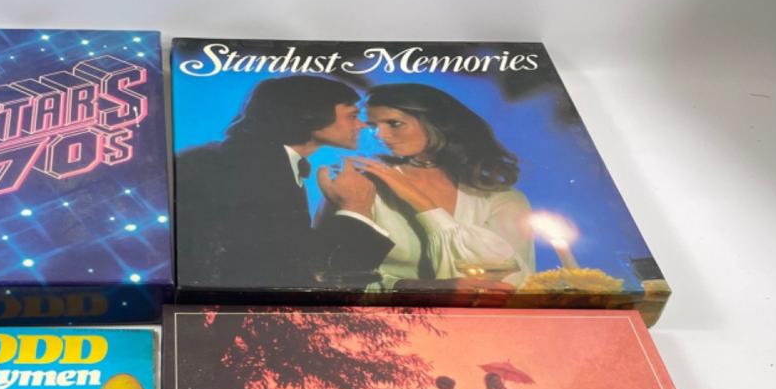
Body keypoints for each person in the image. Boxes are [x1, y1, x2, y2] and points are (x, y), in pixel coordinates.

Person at [175, 75, 393, 291]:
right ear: (311, 115)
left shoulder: (255, 158)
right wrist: (357, 206)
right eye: (352, 115)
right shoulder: (252, 170)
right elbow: (307, 272)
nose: (361, 124)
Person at [353, 84, 536, 289]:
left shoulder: (503, 199)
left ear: (435, 123)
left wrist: (421, 203)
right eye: (372, 126)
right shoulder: (361, 187)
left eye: (394, 123)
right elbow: (341, 280)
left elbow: (518, 282)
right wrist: (423, 290)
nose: (379, 135)